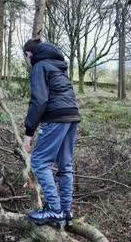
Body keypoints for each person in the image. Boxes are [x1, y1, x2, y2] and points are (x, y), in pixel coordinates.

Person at [22, 38, 80, 228]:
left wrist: (29, 131)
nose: (27, 61)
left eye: (26, 58)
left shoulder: (39, 66)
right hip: (72, 115)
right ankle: (66, 212)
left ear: (29, 55)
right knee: (65, 165)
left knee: (39, 161)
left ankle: (54, 210)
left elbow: (39, 100)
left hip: (55, 117)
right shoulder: (58, 66)